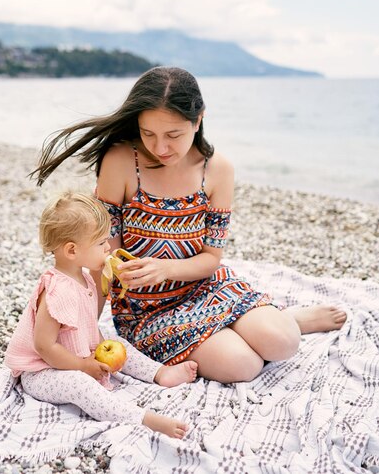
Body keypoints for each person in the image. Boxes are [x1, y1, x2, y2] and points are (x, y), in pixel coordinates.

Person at [33, 67, 347, 383]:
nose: (160, 148)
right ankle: (256, 324)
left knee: (284, 341)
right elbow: (100, 258)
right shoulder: (121, 162)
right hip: (147, 310)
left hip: (204, 285)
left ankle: (285, 320)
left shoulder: (217, 170)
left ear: (198, 120)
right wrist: (84, 334)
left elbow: (211, 259)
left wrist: (167, 269)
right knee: (243, 366)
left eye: (173, 135)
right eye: (148, 134)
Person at [4, 191, 197, 439]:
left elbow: (86, 322)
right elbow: (44, 346)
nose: (109, 248)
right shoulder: (57, 290)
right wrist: (83, 366)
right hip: (42, 371)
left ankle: (159, 373)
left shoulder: (85, 277)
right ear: (72, 251)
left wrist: (98, 349)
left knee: (117, 344)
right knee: (80, 385)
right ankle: (141, 418)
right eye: (101, 243)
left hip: (74, 355)